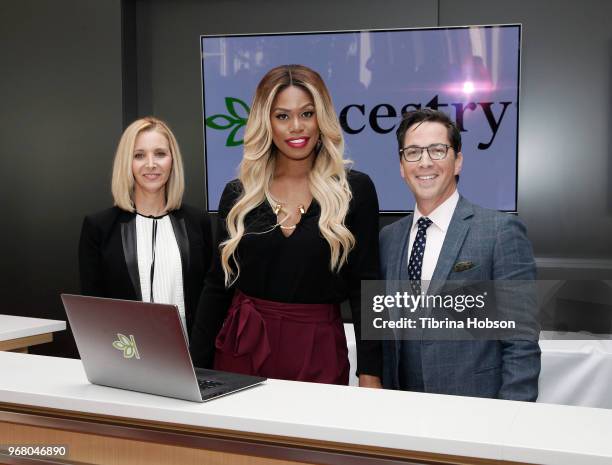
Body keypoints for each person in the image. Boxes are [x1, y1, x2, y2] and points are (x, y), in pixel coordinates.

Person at [190, 64, 382, 387]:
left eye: (307, 114)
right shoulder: (239, 195)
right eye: (282, 116)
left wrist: (371, 374)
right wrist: (194, 366)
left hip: (319, 351)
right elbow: (216, 286)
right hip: (243, 349)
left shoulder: (354, 191)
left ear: (322, 118)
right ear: (266, 122)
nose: (297, 127)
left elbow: (367, 292)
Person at [379, 108, 540, 400]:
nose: (425, 161)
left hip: (476, 412)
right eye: (413, 152)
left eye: (438, 150)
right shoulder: (388, 239)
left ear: (458, 162)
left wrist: (512, 421)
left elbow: (521, 342)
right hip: (401, 414)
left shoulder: (500, 232)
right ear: (402, 166)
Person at [79, 117, 213, 338]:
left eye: (160, 153)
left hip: (193, 361)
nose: (151, 164)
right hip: (126, 360)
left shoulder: (197, 222)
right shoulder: (99, 228)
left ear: (172, 160)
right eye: (139, 155)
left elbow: (210, 301)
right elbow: (93, 310)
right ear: (127, 162)